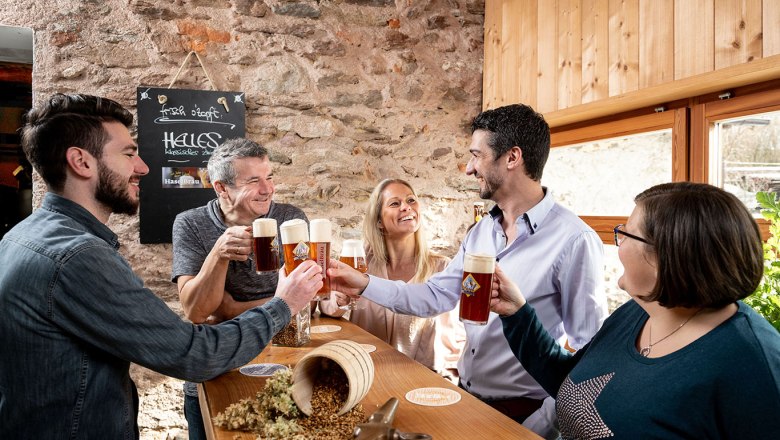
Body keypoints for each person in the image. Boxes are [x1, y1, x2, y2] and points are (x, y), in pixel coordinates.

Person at [0, 93, 323, 438]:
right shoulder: (77, 256)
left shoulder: (22, 236)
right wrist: (283, 304)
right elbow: (195, 353)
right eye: (128, 154)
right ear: (81, 162)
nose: (143, 167)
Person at [328, 104, 607, 437]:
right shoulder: (481, 231)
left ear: (512, 158)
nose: (469, 169)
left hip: (527, 414)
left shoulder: (574, 239)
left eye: (477, 156)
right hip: (467, 401)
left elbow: (593, 357)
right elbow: (434, 296)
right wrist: (363, 283)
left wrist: (543, 423)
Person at [491, 182, 780, 439]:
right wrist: (516, 312)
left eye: (627, 234)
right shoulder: (636, 313)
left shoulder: (755, 366)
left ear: (669, 255)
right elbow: (572, 383)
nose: (619, 244)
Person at [171, 138, 308, 438]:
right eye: (254, 181)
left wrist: (231, 309)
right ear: (222, 188)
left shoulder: (290, 219)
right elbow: (196, 312)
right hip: (217, 363)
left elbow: (303, 295)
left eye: (269, 177)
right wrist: (218, 254)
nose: (268, 189)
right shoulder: (190, 224)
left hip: (284, 359)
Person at [320, 178, 465, 380]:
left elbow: (456, 337)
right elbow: (326, 304)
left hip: (424, 381)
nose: (406, 207)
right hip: (368, 375)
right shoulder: (361, 264)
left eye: (411, 200)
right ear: (379, 221)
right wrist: (339, 301)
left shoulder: (442, 268)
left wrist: (449, 380)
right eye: (395, 203)